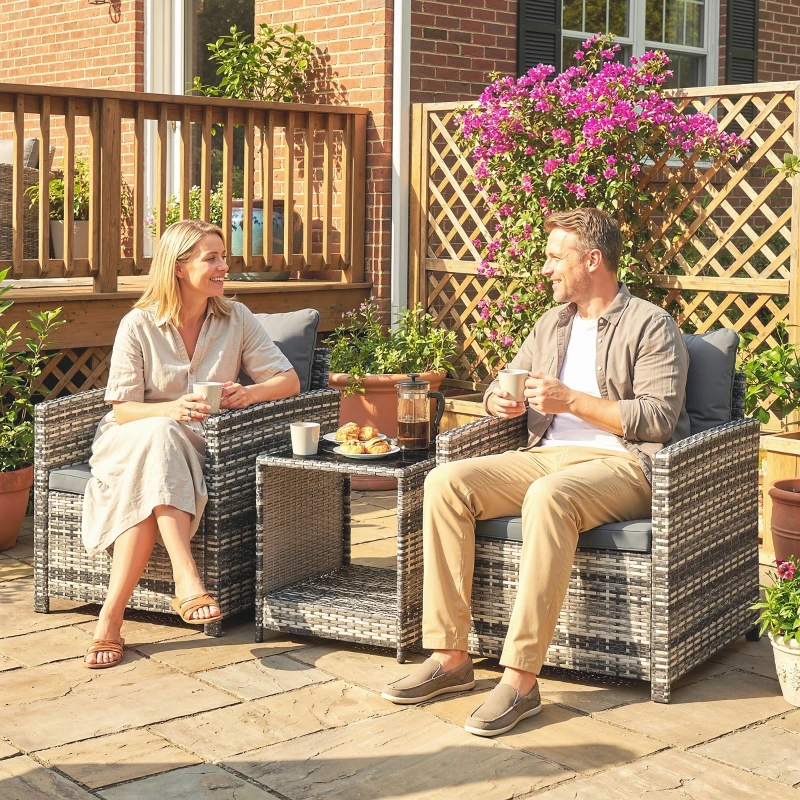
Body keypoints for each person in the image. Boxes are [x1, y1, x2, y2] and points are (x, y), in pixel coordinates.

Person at [382, 208, 690, 736]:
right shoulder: (553, 323)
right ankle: (451, 657)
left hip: (623, 464)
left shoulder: (650, 324)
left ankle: (521, 681)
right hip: (544, 453)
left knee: (550, 495)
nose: (545, 268)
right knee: (444, 482)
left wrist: (572, 401)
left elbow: (658, 419)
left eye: (555, 256)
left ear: (592, 260)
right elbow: (509, 381)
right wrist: (498, 400)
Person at [82, 220, 300, 669]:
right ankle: (187, 576)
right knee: (160, 436)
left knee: (152, 476)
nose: (224, 267)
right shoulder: (138, 323)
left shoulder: (236, 317)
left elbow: (289, 380)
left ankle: (110, 618)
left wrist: (249, 393)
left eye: (224, 257)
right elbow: (122, 410)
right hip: (128, 438)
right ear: (179, 268)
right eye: (212, 258)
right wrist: (170, 410)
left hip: (199, 444)